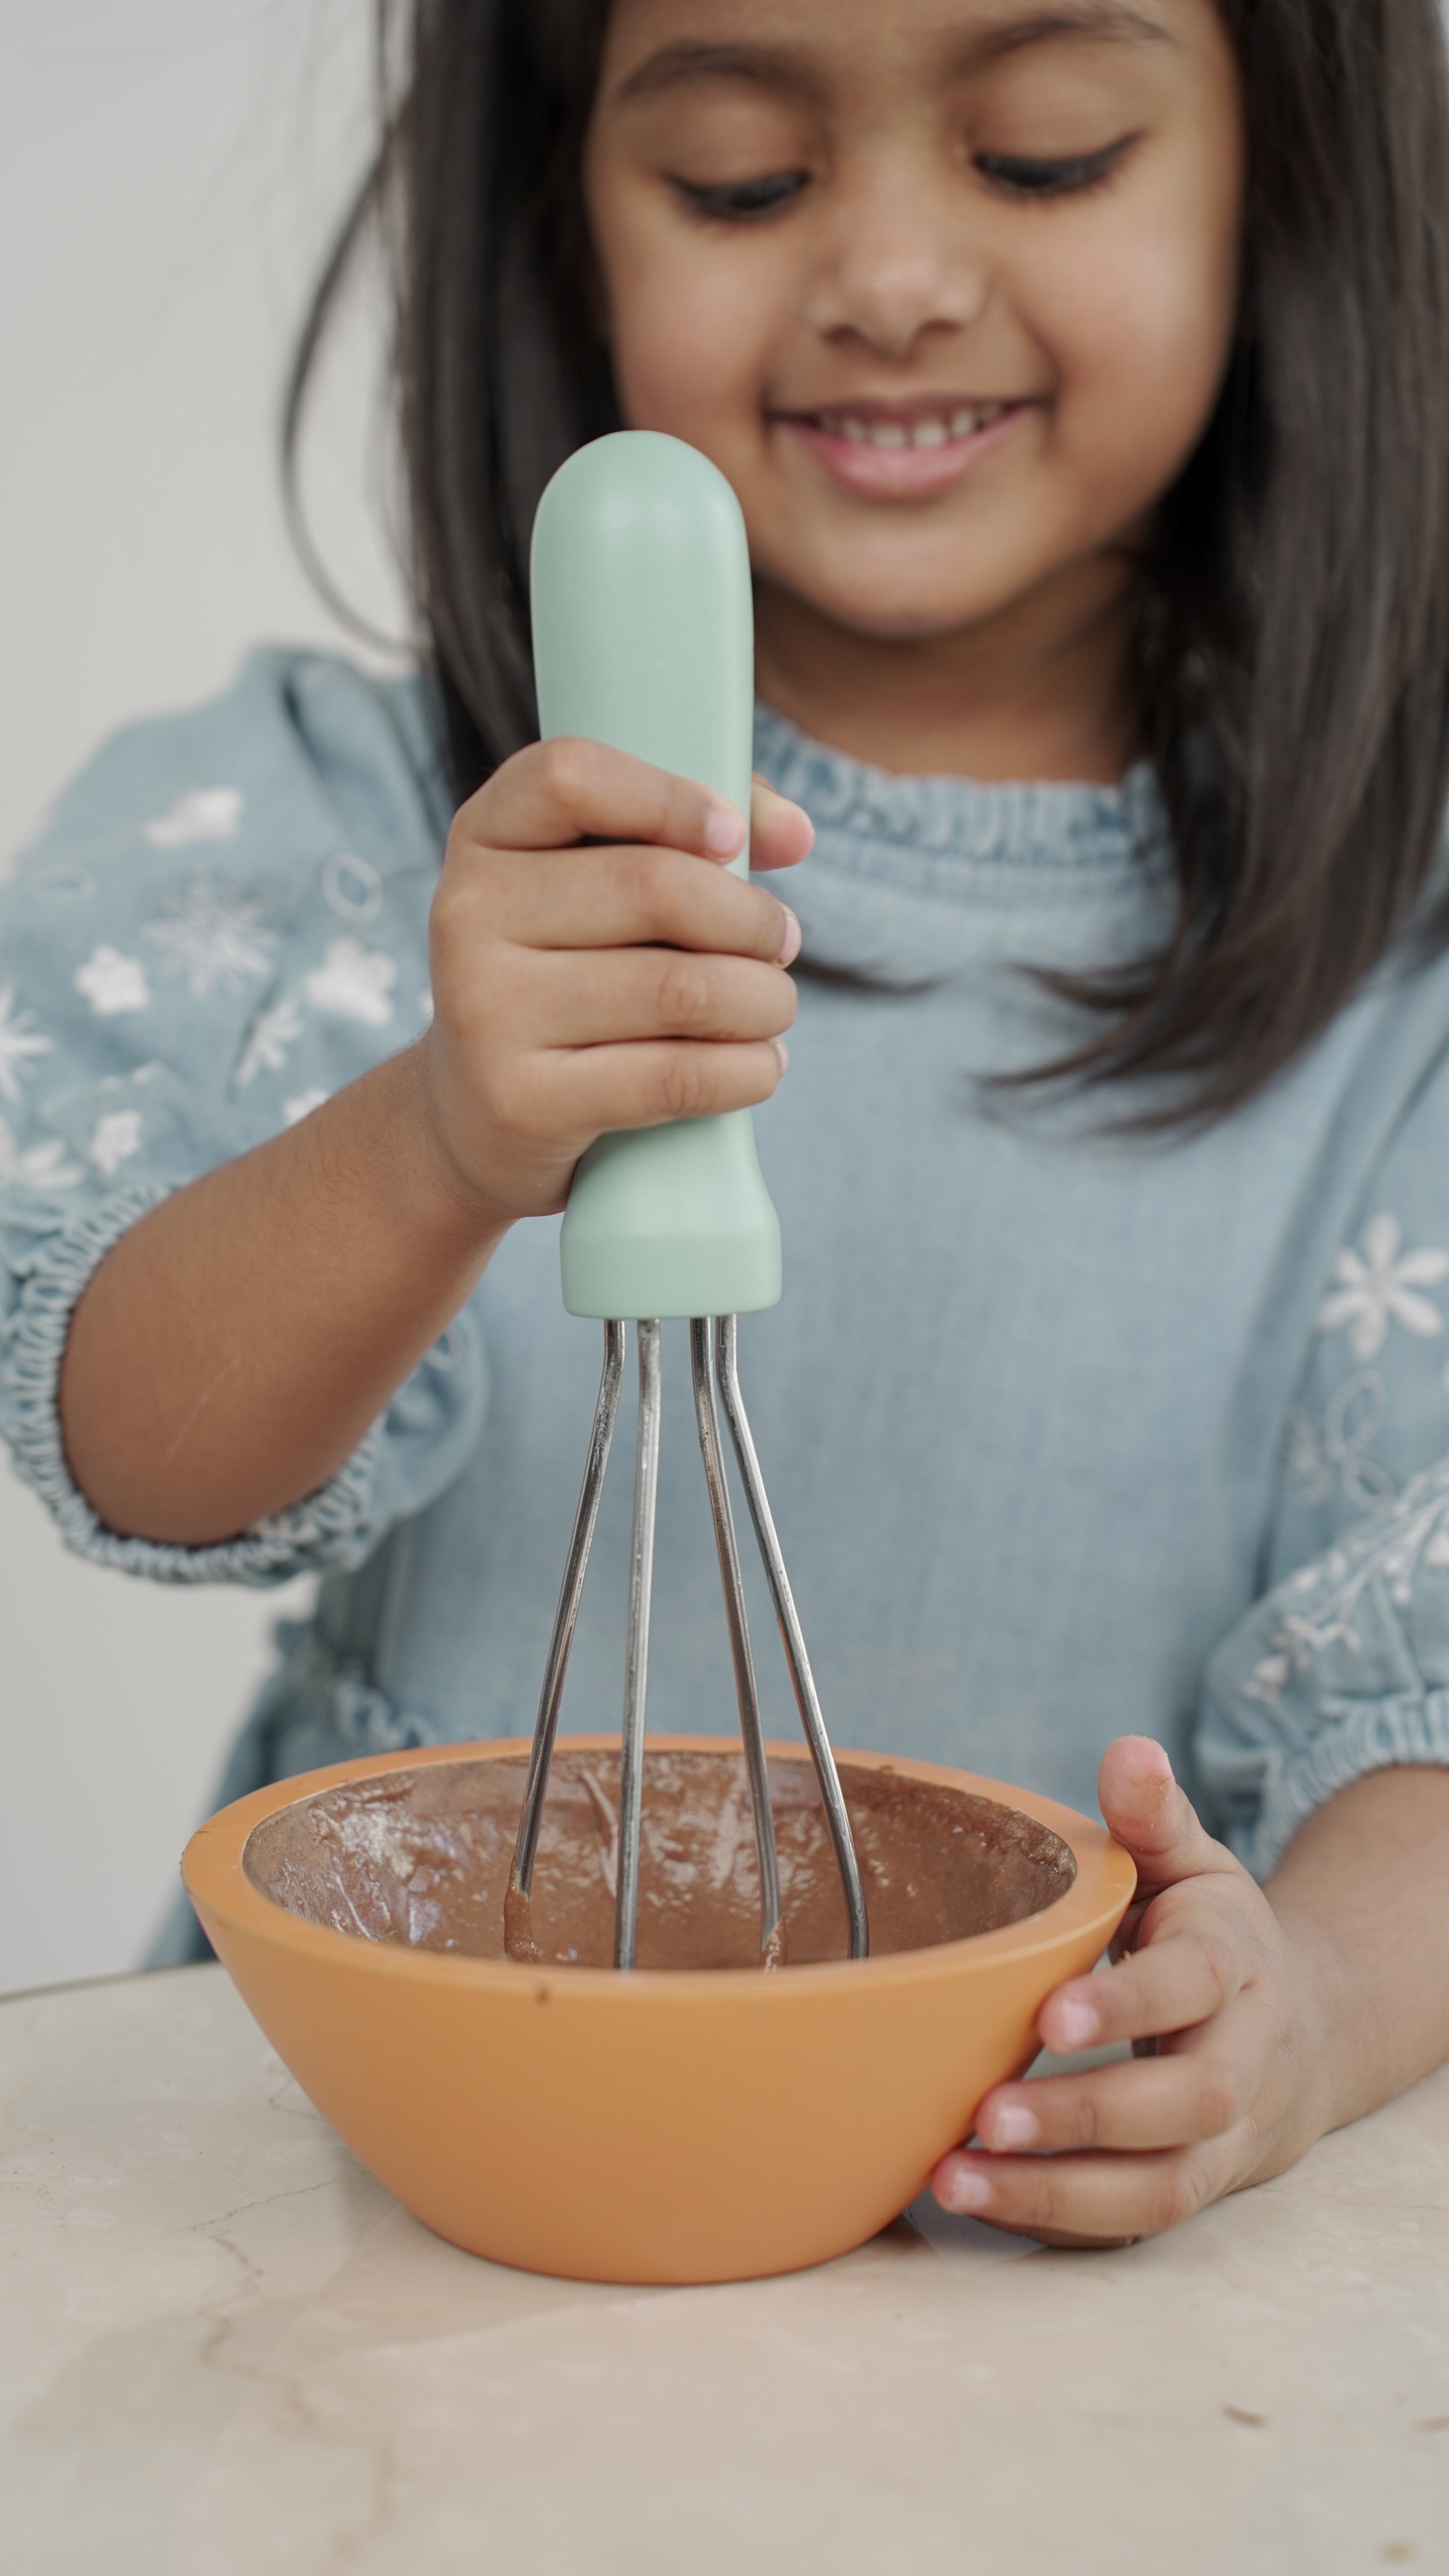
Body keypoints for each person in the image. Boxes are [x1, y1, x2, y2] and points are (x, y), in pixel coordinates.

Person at [4, 0, 1449, 2248]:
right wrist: (436, 1141)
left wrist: (1317, 2013)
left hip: (1028, 2285)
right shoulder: (345, 830)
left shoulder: (1407, 985)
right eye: (743, 179)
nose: (886, 273)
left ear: (1298, 177)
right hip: (394, 2247)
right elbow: (135, 1441)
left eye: (1046, 153)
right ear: (558, 203)